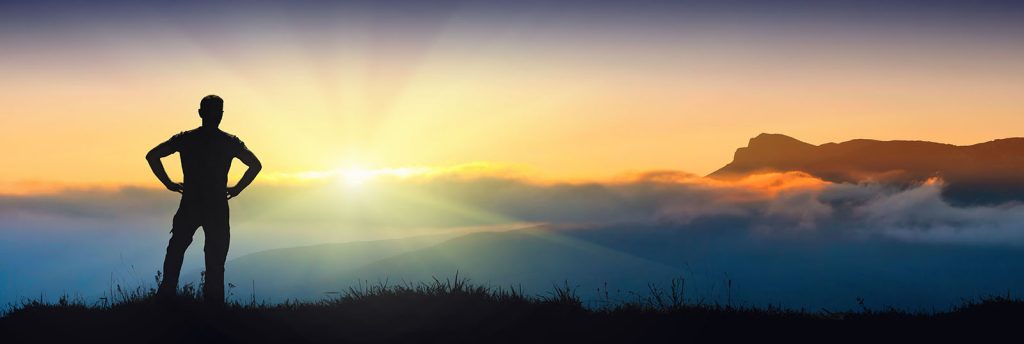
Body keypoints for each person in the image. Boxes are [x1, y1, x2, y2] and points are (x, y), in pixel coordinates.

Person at [146, 95, 262, 304]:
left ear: (200, 113)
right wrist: (237, 189)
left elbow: (152, 155)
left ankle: (165, 298)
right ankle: (214, 305)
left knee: (176, 250)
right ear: (221, 115)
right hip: (217, 205)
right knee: (215, 258)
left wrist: (168, 183)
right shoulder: (230, 142)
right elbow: (255, 165)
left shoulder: (186, 139)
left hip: (190, 203)